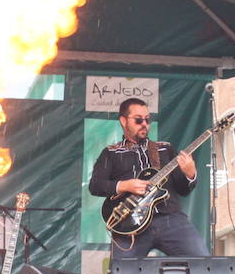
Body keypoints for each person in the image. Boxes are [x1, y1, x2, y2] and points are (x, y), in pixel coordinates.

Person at [87, 97, 208, 259]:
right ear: (123, 121)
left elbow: (183, 189)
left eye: (147, 120)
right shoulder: (111, 153)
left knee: (202, 262)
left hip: (170, 218)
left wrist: (190, 174)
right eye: (138, 120)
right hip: (129, 224)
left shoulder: (165, 149)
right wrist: (125, 185)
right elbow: (95, 185)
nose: (144, 124)